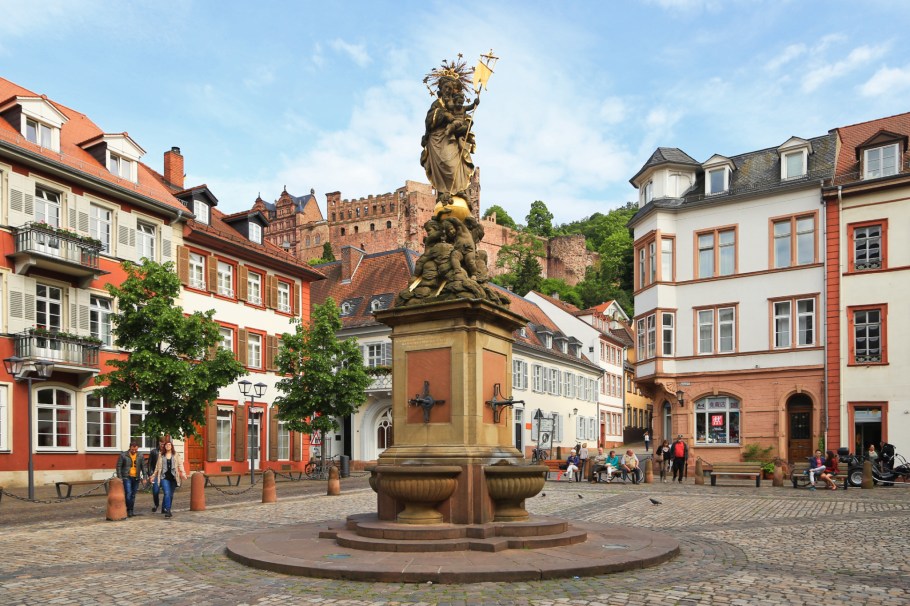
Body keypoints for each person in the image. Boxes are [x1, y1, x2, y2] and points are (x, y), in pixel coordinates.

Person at [149, 441, 187, 518]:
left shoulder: (176, 455)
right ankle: (168, 510)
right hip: (164, 477)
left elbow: (180, 465)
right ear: (165, 446)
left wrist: (183, 473)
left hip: (173, 478)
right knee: (166, 493)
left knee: (170, 495)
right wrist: (153, 476)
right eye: (166, 445)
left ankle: (165, 508)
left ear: (172, 446)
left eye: (169, 444)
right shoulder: (161, 455)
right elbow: (157, 467)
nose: (168, 446)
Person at [116, 441, 145, 517]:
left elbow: (143, 467)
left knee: (133, 495)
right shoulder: (123, 455)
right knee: (128, 493)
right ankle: (128, 510)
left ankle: (131, 510)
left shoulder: (140, 455)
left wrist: (145, 477)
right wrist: (120, 477)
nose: (134, 451)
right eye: (132, 449)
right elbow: (118, 466)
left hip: (136, 477)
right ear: (130, 448)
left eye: (136, 449)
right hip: (127, 476)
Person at [147, 438, 162, 513]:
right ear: (159, 443)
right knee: (155, 490)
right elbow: (149, 464)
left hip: (164, 475)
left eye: (164, 443)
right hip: (155, 474)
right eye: (161, 443)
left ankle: (165, 507)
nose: (162, 445)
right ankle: (156, 504)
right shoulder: (154, 452)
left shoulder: (168, 452)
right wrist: (150, 474)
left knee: (167, 492)